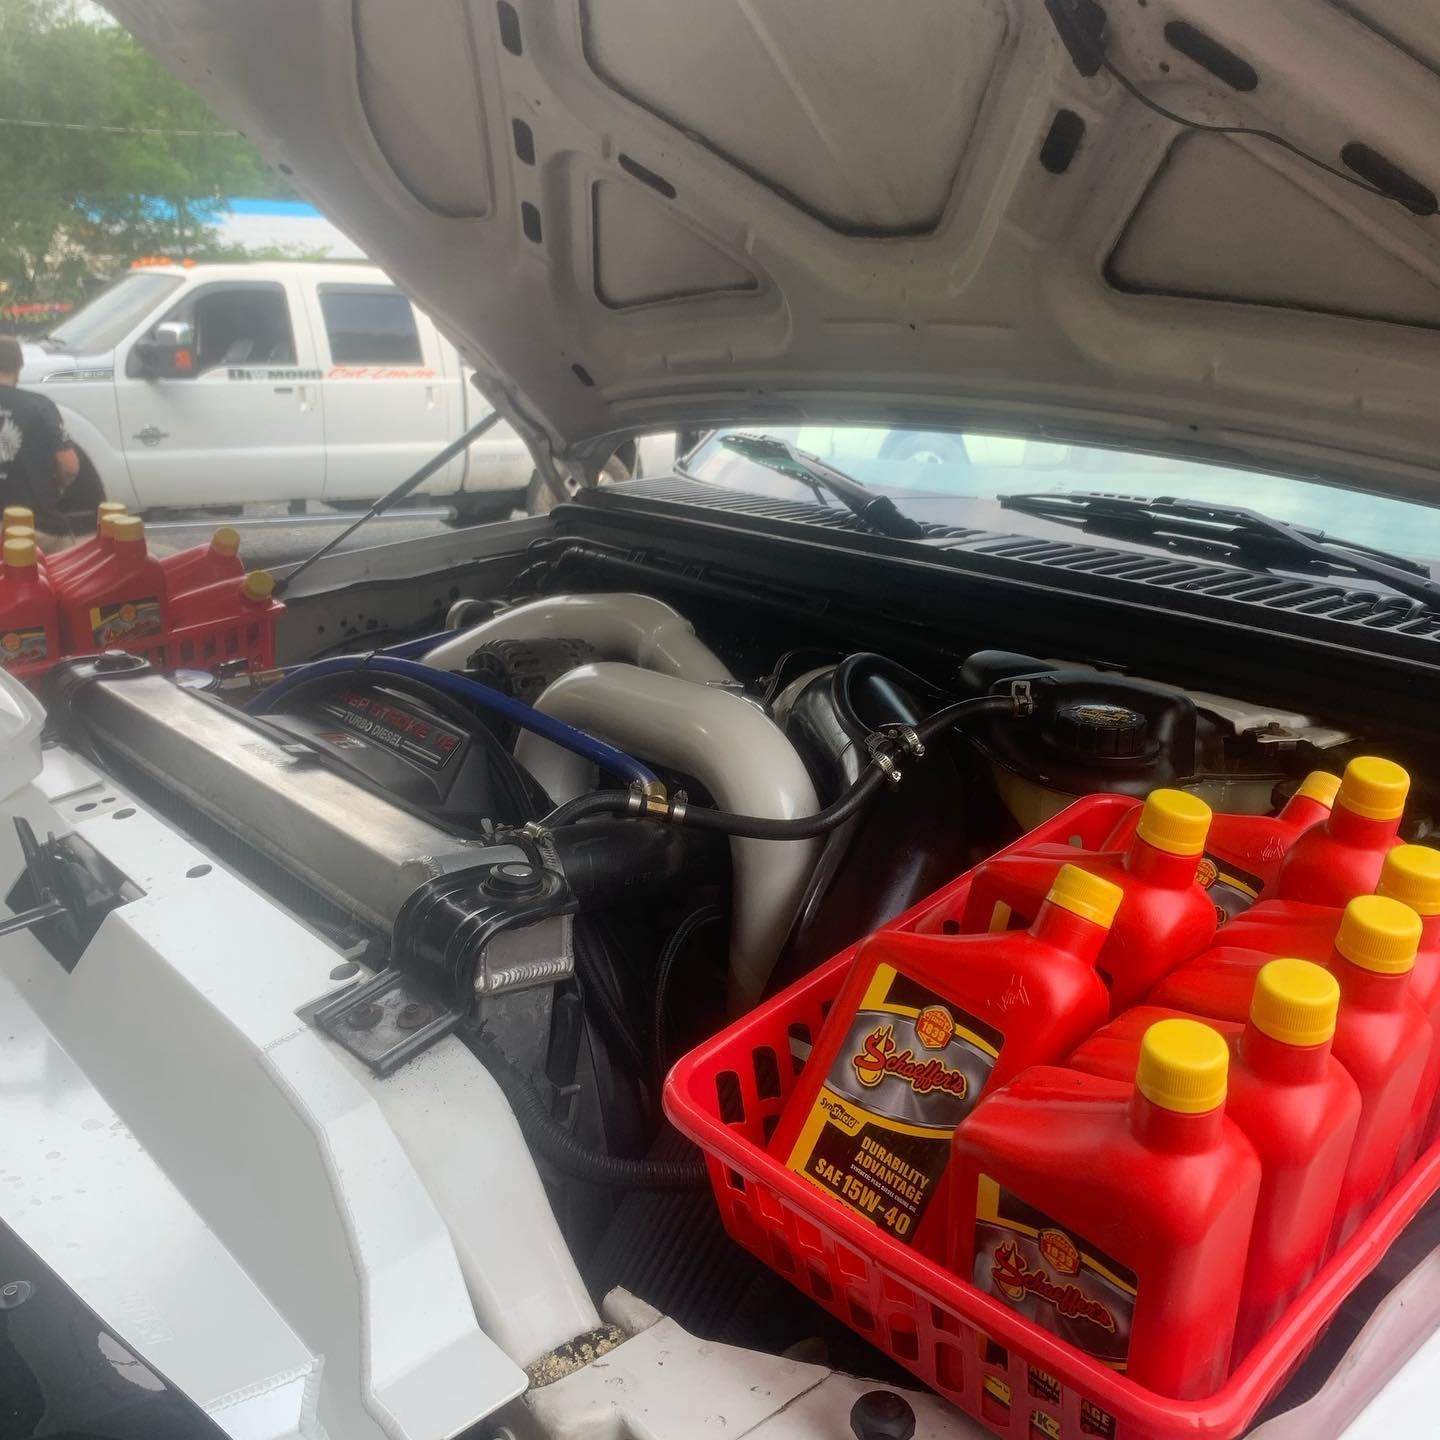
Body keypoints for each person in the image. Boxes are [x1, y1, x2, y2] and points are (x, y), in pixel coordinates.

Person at [0, 334, 80, 533]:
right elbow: (70, 466)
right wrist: (57, 486)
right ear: (19, 366)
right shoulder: (40, 405)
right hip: (38, 527)